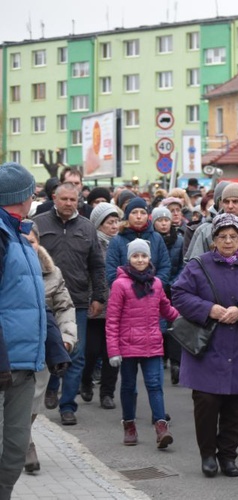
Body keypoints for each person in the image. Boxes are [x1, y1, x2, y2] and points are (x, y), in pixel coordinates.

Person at [0, 162, 69, 498]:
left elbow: (34, 301)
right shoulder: (2, 238)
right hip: (4, 365)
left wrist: (54, 347)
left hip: (25, 364)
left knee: (13, 452)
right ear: (24, 196)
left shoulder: (21, 237)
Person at [171, 213, 238, 478]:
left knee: (235, 406)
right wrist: (210, 309)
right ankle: (208, 455)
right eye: (222, 237)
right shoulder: (198, 265)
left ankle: (227, 456)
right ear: (213, 240)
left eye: (233, 236)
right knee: (206, 404)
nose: (228, 241)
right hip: (207, 348)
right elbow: (179, 295)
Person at [34, 182, 107, 426]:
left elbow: (97, 265)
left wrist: (99, 296)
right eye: (63, 199)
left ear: (78, 202)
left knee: (76, 353)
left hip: (77, 301)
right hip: (44, 299)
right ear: (54, 198)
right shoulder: (38, 223)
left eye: (72, 200)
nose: (68, 203)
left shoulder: (87, 227)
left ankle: (68, 406)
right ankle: (52, 385)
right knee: (49, 351)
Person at [106, 239, 178, 448]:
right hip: (127, 346)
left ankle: (161, 427)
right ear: (129, 259)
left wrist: (183, 320)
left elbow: (166, 308)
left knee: (155, 386)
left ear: (149, 258)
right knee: (128, 387)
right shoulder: (120, 285)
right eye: (136, 256)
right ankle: (129, 426)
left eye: (144, 256)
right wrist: (113, 350)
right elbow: (112, 320)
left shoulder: (155, 283)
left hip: (152, 343)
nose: (140, 260)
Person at [22, 222, 77, 473]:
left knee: (34, 399)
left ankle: (24, 439)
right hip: (13, 345)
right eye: (22, 240)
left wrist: (66, 336)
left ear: (39, 243)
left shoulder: (51, 272)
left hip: (43, 344)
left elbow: (64, 307)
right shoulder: (8, 268)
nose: (27, 245)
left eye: (31, 241)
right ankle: (24, 444)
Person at [80, 202, 120, 410]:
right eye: (109, 223)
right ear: (98, 224)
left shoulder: (122, 244)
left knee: (112, 354)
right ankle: (85, 381)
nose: (114, 226)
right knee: (92, 351)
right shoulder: (90, 244)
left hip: (117, 309)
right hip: (95, 305)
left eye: (116, 222)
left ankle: (107, 393)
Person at [105, 197, 171, 287]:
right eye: (134, 212)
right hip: (126, 296)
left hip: (153, 294)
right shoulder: (116, 241)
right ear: (127, 215)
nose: (139, 216)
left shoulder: (157, 238)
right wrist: (130, 291)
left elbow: (165, 267)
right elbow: (111, 272)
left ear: (148, 216)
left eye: (143, 213)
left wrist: (153, 287)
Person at [151, 206, 184, 385]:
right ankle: (160, 355)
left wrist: (174, 281)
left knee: (174, 325)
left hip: (173, 288)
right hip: (154, 287)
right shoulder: (150, 240)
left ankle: (175, 363)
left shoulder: (179, 240)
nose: (164, 224)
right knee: (157, 323)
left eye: (166, 220)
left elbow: (182, 264)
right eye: (160, 220)